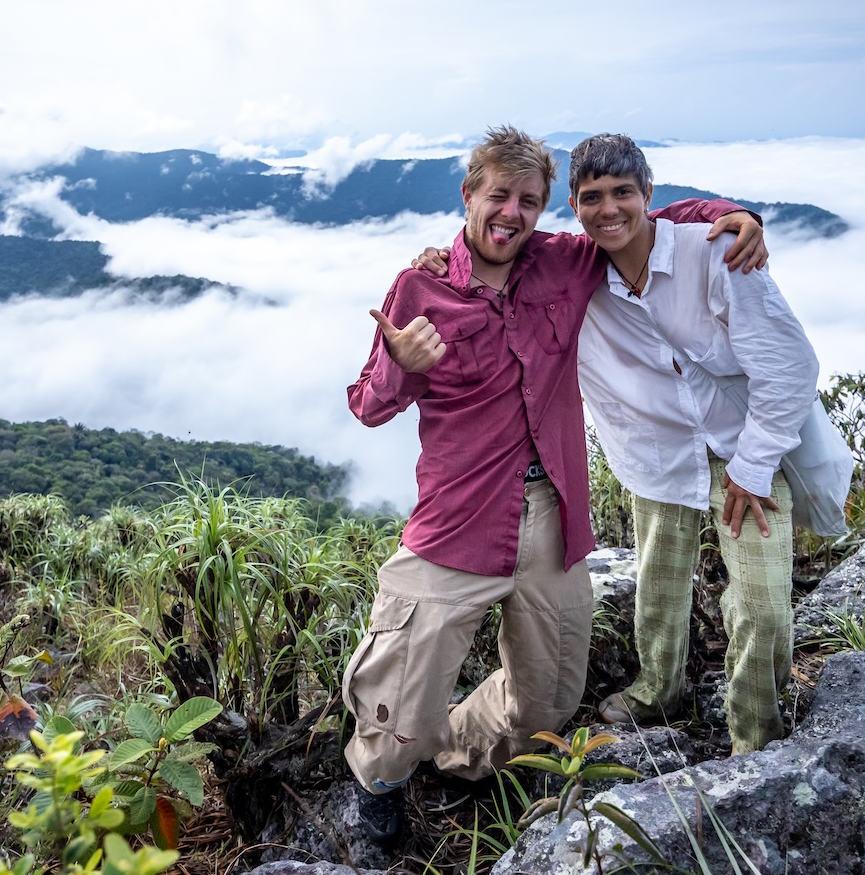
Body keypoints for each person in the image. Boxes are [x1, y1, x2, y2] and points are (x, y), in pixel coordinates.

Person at [343, 126, 766, 846]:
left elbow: (640, 224)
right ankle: (377, 790)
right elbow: (368, 404)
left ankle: (458, 756)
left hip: (555, 514)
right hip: (459, 520)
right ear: (469, 195)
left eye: (530, 201)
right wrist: (403, 364)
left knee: (551, 694)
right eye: (498, 196)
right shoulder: (419, 288)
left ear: (545, 208)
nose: (512, 213)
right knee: (400, 689)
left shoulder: (563, 265)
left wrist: (735, 214)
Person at [567, 133, 819, 755]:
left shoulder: (716, 253)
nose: (609, 209)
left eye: (623, 192)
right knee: (659, 584)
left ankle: (753, 739)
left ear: (649, 194)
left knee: (763, 606)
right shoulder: (574, 275)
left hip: (743, 448)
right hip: (655, 451)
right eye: (592, 197)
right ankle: (659, 690)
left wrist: (754, 468)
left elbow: (788, 366)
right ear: (574, 205)